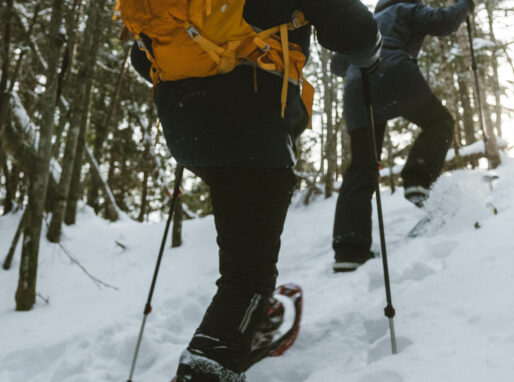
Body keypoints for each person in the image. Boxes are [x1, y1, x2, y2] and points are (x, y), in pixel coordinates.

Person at [128, 1, 381, 381]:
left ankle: (248, 323)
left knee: (244, 243)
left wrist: (202, 75)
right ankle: (213, 359)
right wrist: (373, 53)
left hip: (186, 128)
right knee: (246, 277)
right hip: (251, 122)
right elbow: (356, 31)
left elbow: (141, 58)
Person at [331, 0, 475, 272]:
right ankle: (417, 178)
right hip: (394, 71)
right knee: (439, 121)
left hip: (356, 85)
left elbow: (337, 64)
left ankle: (349, 250)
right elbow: (443, 22)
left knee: (363, 164)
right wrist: (465, 5)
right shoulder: (406, 9)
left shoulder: (367, 22)